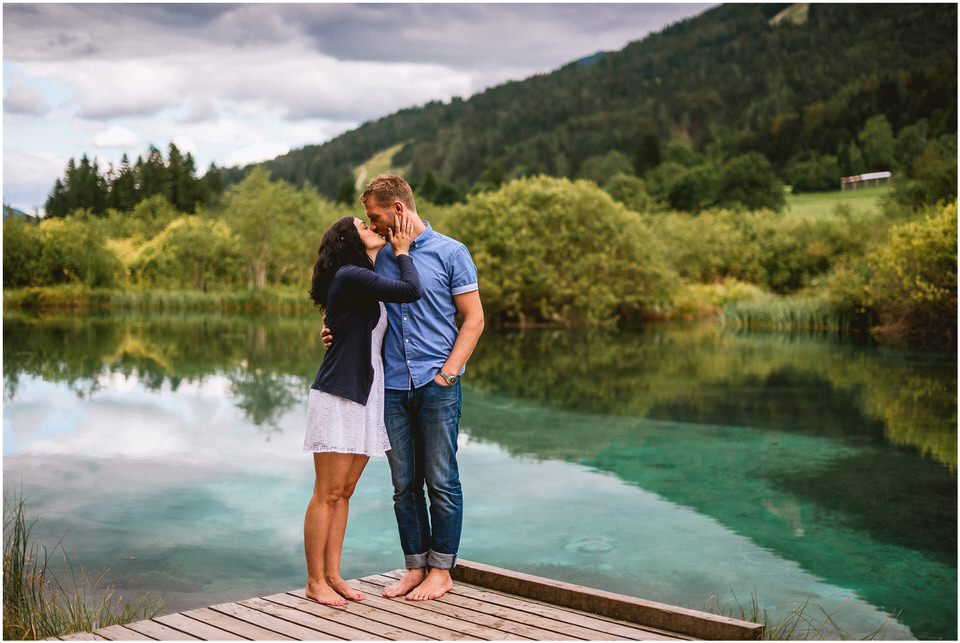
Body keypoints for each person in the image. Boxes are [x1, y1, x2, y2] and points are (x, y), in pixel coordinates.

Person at [324, 174, 484, 601]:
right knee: (403, 484)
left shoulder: (452, 252)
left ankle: (442, 571)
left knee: (442, 480)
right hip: (391, 386)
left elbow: (474, 319)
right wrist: (332, 331)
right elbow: (355, 308)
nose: (371, 225)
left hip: (437, 383)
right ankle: (415, 566)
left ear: (397, 209)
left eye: (374, 216)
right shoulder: (378, 257)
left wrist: (448, 373)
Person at [303, 213, 421, 606]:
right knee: (326, 492)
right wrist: (403, 251)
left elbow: (347, 323)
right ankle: (314, 580)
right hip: (339, 394)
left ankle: (334, 574)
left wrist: (330, 328)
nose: (373, 229)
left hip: (366, 395)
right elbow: (410, 290)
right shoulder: (352, 275)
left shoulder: (357, 281)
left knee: (346, 491)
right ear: (350, 241)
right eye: (364, 226)